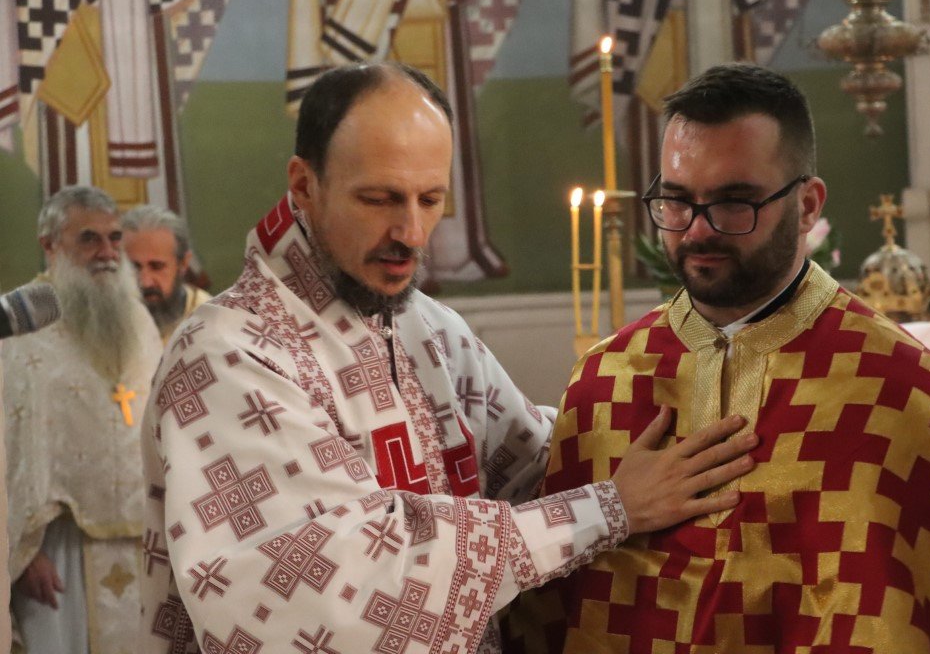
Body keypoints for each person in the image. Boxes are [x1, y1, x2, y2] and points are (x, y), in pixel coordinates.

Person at [138, 62, 757, 653]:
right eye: (379, 199)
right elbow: (332, 596)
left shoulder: (429, 328)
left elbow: (541, 466)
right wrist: (607, 510)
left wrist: (688, 409)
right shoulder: (226, 357)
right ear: (304, 185)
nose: (411, 233)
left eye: (430, 199)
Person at [504, 64, 930, 653]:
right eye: (676, 201)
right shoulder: (604, 383)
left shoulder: (895, 384)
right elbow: (547, 613)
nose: (698, 231)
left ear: (807, 205)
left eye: (733, 203)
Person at [4, 185, 163, 654]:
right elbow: (10, 446)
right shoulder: (21, 324)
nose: (108, 252)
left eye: (115, 238)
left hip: (143, 541)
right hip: (57, 545)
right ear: (50, 244)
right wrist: (21, 553)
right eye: (89, 239)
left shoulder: (138, 321)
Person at [122, 205, 211, 342]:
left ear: (183, 264)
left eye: (157, 267)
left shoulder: (209, 320)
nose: (145, 282)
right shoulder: (108, 318)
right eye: (133, 267)